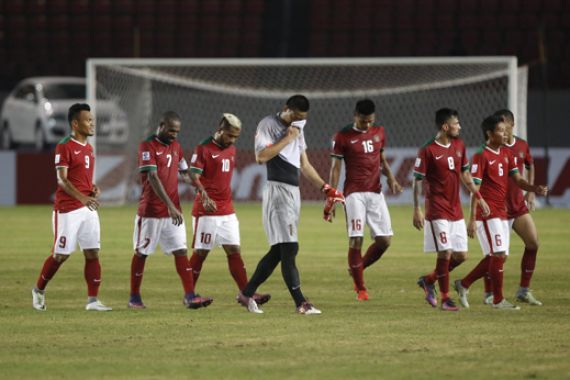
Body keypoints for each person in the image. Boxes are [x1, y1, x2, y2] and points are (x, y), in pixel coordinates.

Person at [237, 94, 344, 314]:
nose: (298, 121)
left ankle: (247, 294)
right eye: (295, 115)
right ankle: (301, 303)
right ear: (286, 108)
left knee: (279, 250)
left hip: (293, 193)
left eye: (302, 118)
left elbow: (304, 165)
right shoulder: (268, 124)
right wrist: (288, 137)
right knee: (290, 248)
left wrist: (326, 189)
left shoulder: (298, 129)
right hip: (277, 191)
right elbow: (261, 156)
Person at [453, 115, 548, 310]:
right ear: (489, 133)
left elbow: (518, 180)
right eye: (500, 131)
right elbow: (474, 188)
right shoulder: (481, 155)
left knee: (498, 256)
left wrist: (533, 188)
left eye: (506, 130)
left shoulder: (506, 153)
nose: (505, 134)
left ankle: (464, 284)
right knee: (498, 254)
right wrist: (472, 218)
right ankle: (497, 300)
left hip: (501, 212)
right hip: (487, 213)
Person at [128, 111, 212, 310]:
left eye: (178, 131)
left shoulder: (176, 147)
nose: (175, 134)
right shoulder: (147, 146)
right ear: (162, 125)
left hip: (172, 212)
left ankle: (190, 296)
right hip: (151, 212)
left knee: (181, 250)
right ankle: (134, 297)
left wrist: (200, 188)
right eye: (172, 130)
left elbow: (184, 173)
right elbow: (152, 178)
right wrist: (170, 206)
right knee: (142, 253)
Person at [32, 103, 112, 311]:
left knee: (93, 252)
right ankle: (38, 290)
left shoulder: (89, 148)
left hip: (87, 207)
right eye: (88, 120)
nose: (92, 123)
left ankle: (93, 301)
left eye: (92, 119)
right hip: (67, 209)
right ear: (75, 124)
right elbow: (62, 180)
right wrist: (82, 198)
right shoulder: (64, 145)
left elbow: (82, 179)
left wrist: (92, 190)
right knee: (61, 255)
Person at [412, 108, 490, 311]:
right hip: (437, 209)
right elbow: (417, 181)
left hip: (456, 210)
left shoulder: (459, 145)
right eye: (457, 123)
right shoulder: (427, 150)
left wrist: (479, 197)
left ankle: (429, 280)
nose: (460, 126)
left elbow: (465, 175)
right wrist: (417, 209)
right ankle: (446, 298)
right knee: (445, 253)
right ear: (446, 126)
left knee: (461, 255)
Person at [188, 113, 270, 305]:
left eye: (236, 137)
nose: (233, 140)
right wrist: (204, 194)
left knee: (234, 250)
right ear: (220, 130)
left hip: (227, 209)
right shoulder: (203, 148)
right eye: (230, 136)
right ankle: (189, 295)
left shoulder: (231, 149)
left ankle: (247, 293)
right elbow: (193, 175)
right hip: (206, 210)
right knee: (201, 252)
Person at [328, 99, 402, 301]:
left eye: (370, 121)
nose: (367, 125)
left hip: (376, 192)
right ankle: (361, 289)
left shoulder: (379, 132)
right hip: (354, 194)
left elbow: (382, 159)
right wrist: (333, 195)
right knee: (356, 238)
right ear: (355, 116)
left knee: (384, 240)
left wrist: (392, 178)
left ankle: (357, 268)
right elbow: (335, 169)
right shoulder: (342, 136)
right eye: (363, 121)